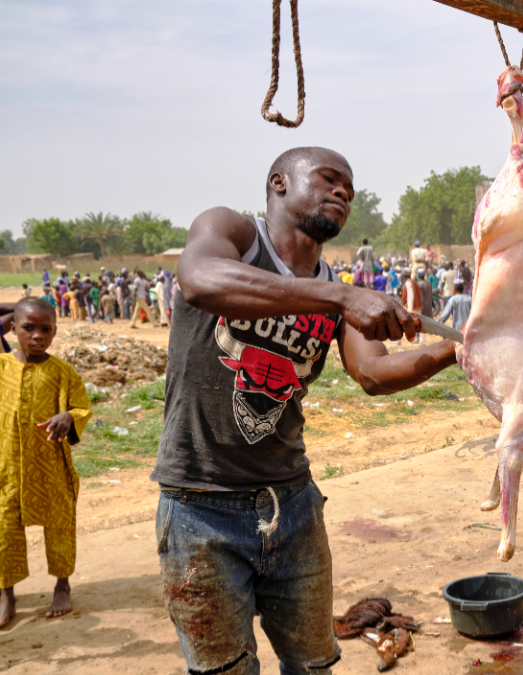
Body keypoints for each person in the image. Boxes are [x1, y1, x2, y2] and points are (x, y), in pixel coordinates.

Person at [153, 147, 457, 674]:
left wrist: (457, 349)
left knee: (314, 664)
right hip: (201, 507)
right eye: (329, 179)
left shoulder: (336, 292)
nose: (342, 193)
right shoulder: (233, 234)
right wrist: (337, 298)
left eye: (349, 190)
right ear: (278, 183)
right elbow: (199, 280)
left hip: (292, 505)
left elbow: (373, 374)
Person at [0, 297, 93, 628]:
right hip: (6, 469)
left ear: (54, 332)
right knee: (4, 530)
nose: (37, 335)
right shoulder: (2, 368)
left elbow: (82, 409)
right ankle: (6, 593)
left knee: (59, 527)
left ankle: (62, 585)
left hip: (51, 468)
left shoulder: (63, 372)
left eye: (46, 329)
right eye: (28, 328)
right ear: (13, 329)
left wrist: (69, 416)